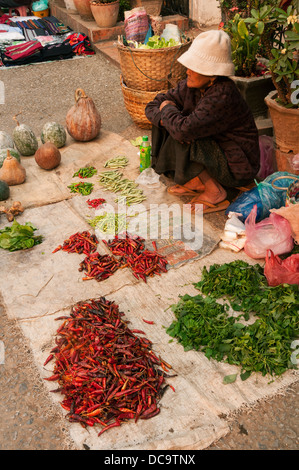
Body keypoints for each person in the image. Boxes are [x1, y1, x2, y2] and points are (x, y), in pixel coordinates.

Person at [145, 30, 260, 214]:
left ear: (212, 75)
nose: (188, 71)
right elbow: (153, 105)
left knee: (182, 132)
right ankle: (198, 180)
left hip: (237, 165)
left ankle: (215, 191)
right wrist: (167, 116)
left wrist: (168, 112)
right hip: (216, 152)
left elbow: (183, 129)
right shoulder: (192, 85)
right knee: (169, 122)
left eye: (194, 67)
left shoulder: (222, 95)